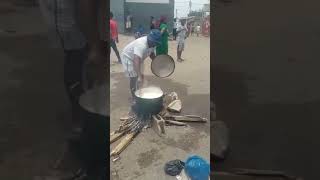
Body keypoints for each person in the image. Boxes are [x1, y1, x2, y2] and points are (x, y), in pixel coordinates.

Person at [39, 0, 107, 179]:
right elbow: (85, 6)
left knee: (84, 77)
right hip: (75, 29)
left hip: (71, 28)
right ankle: (82, 142)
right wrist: (94, 45)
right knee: (80, 74)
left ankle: (83, 131)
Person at [121, 29, 161, 99]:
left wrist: (156, 61)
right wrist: (139, 76)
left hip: (139, 57)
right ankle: (134, 97)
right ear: (149, 39)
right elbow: (136, 60)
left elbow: (151, 53)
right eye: (154, 42)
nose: (155, 44)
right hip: (129, 58)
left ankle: (138, 90)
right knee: (134, 77)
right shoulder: (141, 44)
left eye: (156, 42)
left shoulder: (153, 43)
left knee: (140, 75)